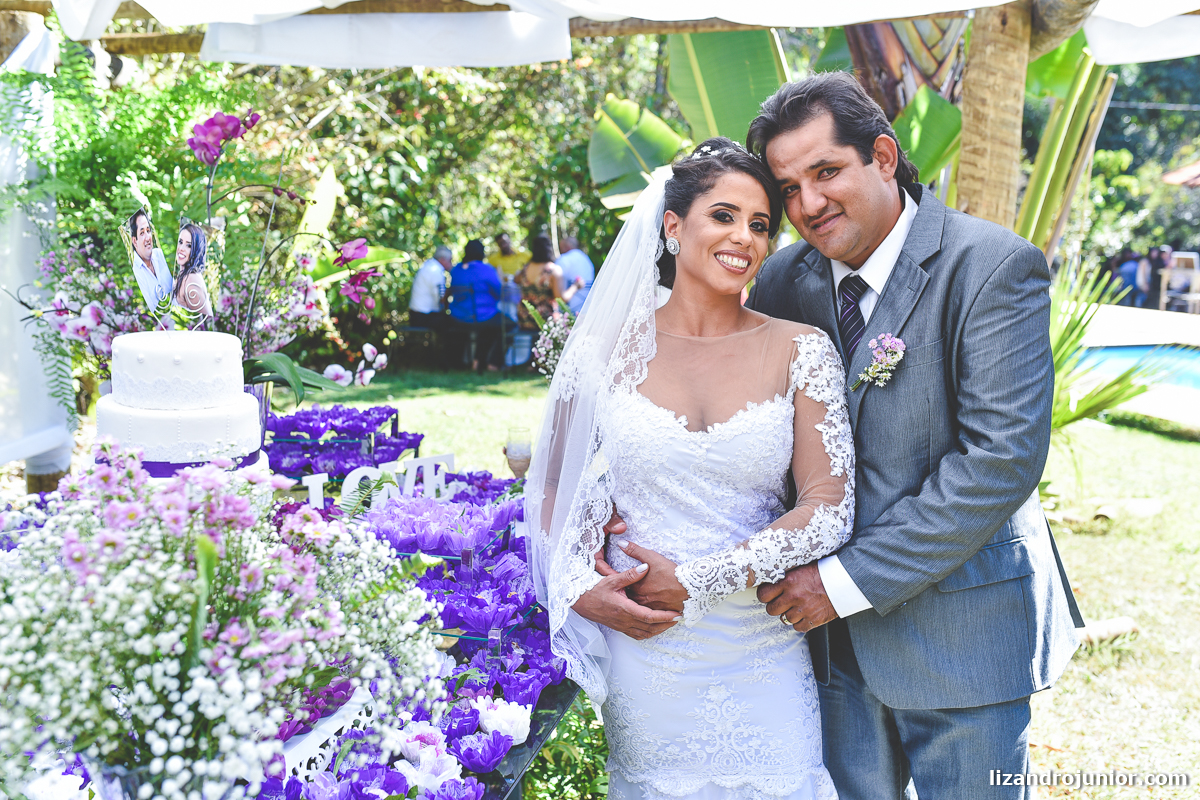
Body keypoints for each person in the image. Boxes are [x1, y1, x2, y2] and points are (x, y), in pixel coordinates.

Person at [739, 73, 1081, 800]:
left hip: (962, 640)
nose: (808, 204)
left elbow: (998, 461)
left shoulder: (991, 267)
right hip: (827, 653)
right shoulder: (782, 284)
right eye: (788, 187)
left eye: (827, 172)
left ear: (885, 157)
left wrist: (840, 583)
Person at [527, 138, 851, 799]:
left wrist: (701, 579)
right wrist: (578, 589)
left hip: (761, 643)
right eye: (724, 215)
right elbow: (551, 486)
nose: (745, 238)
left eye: (761, 225)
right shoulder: (601, 351)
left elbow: (829, 504)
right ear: (673, 225)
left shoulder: (801, 350)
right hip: (648, 653)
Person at [447, 239, 503, 371]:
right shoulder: (486, 270)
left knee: (487, 328)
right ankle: (491, 363)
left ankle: (473, 361)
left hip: (458, 317)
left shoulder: (456, 270)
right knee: (508, 326)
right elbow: (499, 292)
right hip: (482, 317)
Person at [513, 234, 568, 332]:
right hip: (546, 321)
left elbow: (515, 280)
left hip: (524, 319)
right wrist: (576, 286)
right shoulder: (553, 270)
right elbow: (561, 299)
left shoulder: (526, 268)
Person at [128, 209, 172, 309]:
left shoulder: (159, 254)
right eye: (142, 233)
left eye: (148, 231)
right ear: (135, 241)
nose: (148, 237)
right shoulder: (135, 271)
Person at [173, 223, 213, 317]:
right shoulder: (184, 275)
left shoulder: (192, 279)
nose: (181, 248)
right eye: (180, 242)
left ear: (196, 250)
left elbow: (204, 319)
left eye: (189, 245)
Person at [409, 245, 452, 330]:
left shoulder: (429, 265)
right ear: (442, 260)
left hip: (415, 315)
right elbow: (441, 299)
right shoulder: (436, 270)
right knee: (454, 323)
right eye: (450, 260)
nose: (451, 264)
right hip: (423, 317)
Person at [556, 234, 595, 314]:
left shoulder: (563, 260)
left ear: (567, 247)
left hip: (567, 314)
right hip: (586, 310)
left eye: (561, 248)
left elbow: (558, 295)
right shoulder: (587, 260)